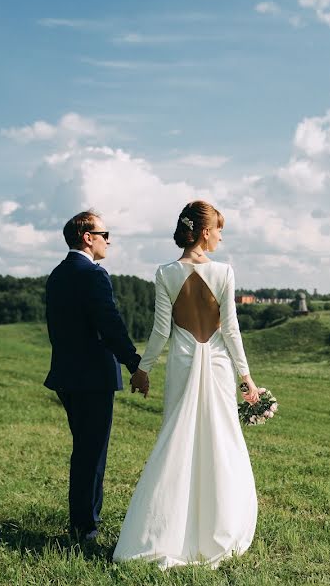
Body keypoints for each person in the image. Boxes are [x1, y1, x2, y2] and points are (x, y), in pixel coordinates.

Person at [113, 200, 259, 569]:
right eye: (219, 229)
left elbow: (161, 330)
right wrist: (246, 377)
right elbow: (231, 331)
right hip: (218, 365)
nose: (221, 236)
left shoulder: (164, 273)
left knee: (175, 438)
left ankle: (160, 531)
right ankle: (218, 526)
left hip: (181, 362)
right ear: (205, 232)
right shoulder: (224, 273)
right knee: (220, 440)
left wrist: (143, 370)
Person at [44, 210, 147, 543]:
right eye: (105, 234)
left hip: (66, 375)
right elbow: (110, 324)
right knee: (92, 453)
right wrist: (134, 364)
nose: (108, 240)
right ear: (87, 237)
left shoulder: (57, 275)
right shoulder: (93, 275)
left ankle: (82, 521)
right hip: (93, 378)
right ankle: (84, 527)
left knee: (83, 449)